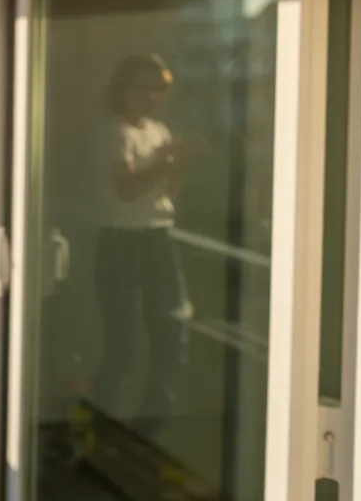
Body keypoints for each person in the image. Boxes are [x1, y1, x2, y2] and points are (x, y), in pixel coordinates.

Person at [93, 53, 204, 439]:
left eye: (158, 89)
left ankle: (148, 432)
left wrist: (180, 164)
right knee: (122, 345)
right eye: (143, 88)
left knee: (171, 336)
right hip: (121, 241)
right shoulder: (114, 133)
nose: (151, 97)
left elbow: (168, 193)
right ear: (123, 89)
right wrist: (167, 161)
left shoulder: (159, 131)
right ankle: (99, 429)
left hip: (158, 238)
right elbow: (126, 191)